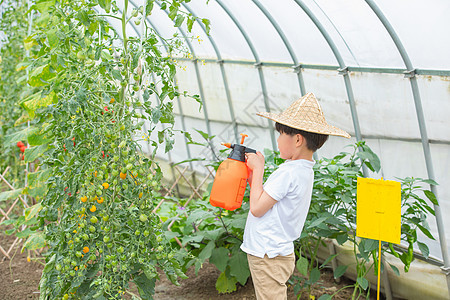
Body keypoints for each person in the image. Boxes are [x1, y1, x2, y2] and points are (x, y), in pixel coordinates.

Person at [241, 92, 350, 300]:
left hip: (268, 254)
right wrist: (254, 177)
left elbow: (256, 208)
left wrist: (260, 168)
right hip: (275, 251)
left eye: (281, 134)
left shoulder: (288, 172)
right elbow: (265, 200)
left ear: (297, 139)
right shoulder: (302, 170)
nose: (278, 140)